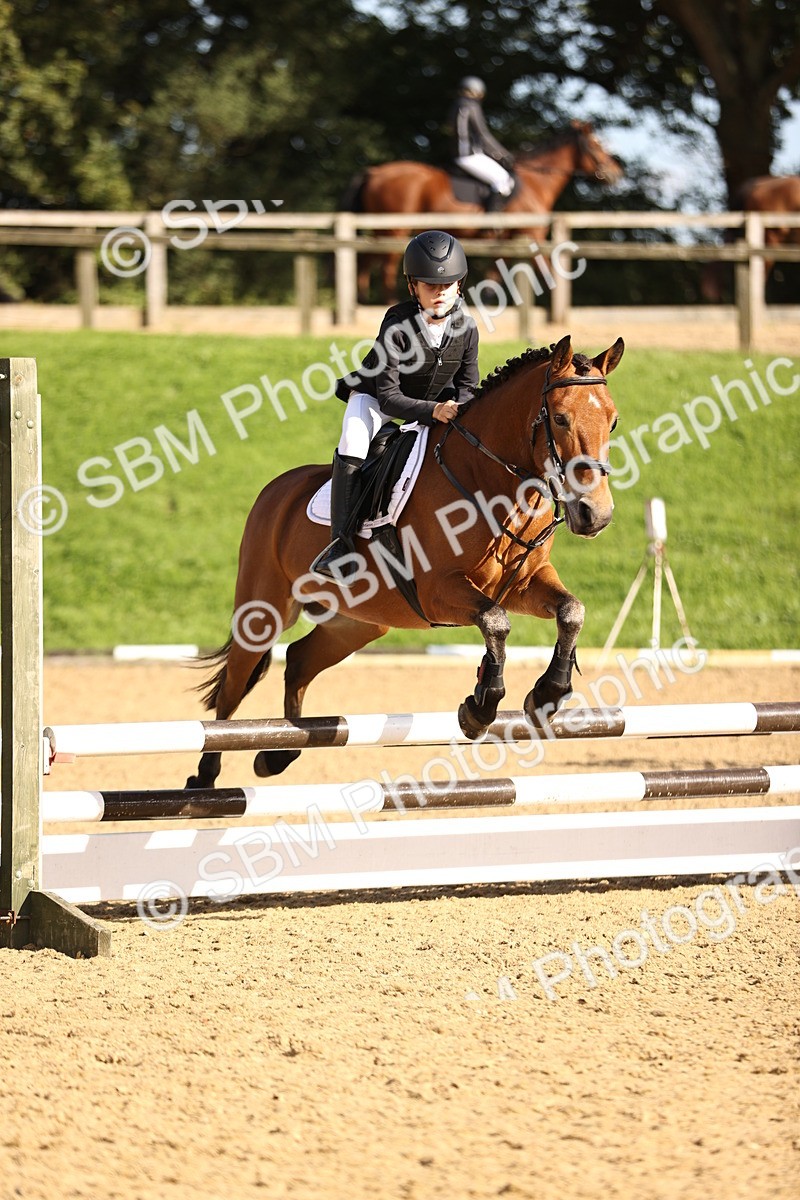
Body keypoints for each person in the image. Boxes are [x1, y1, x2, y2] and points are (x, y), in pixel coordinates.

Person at [310, 230, 479, 584]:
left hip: (435, 403)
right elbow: (389, 396)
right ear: (412, 286)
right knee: (354, 441)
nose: (439, 291)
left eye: (447, 284)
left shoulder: (467, 328)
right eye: (430, 284)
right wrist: (434, 412)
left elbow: (468, 387)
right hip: (377, 399)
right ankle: (340, 547)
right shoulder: (398, 323)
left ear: (459, 286)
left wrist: (457, 409)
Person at [448, 76, 515, 212]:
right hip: (468, 155)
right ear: (478, 91)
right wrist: (503, 154)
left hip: (459, 153)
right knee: (502, 179)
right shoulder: (471, 106)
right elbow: (483, 134)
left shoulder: (457, 105)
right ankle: (491, 221)